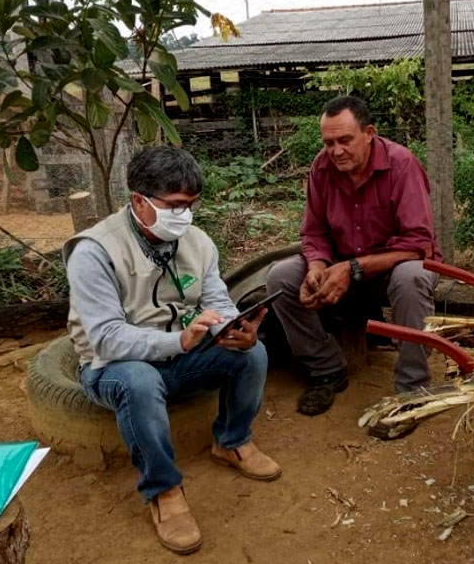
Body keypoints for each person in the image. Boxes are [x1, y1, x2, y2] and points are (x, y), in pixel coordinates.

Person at [64, 146, 280, 555]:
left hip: (181, 353)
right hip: (112, 365)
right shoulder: (93, 251)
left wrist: (236, 327)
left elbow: (217, 299)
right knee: (140, 380)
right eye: (175, 205)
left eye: (191, 205)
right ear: (138, 201)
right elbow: (106, 338)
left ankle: (232, 441)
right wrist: (177, 341)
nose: (184, 215)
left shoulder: (197, 242)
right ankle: (164, 491)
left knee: (252, 353)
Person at [266, 95, 441, 440]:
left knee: (413, 278)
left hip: (393, 266)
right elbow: (314, 231)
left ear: (369, 133)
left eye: (345, 140)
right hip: (342, 265)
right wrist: (317, 265)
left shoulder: (401, 164)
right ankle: (327, 368)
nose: (336, 151)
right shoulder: (321, 168)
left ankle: (412, 391)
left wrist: (353, 268)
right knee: (281, 277)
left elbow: (418, 242)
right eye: (329, 142)